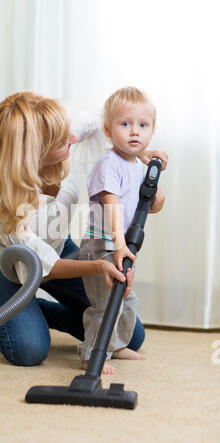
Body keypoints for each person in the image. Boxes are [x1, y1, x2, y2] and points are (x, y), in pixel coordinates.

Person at [0, 91, 168, 370]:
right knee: (29, 349)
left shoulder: (63, 131)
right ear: (33, 153)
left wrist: (135, 148)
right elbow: (38, 259)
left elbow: (108, 118)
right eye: (62, 140)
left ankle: (33, 311)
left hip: (57, 244)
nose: (72, 138)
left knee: (128, 335)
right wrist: (98, 266)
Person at [78, 87, 166, 374]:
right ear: (107, 129)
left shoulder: (138, 166)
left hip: (124, 245)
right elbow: (112, 205)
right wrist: (118, 244)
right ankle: (92, 353)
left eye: (142, 125)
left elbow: (147, 205)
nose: (134, 132)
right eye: (125, 124)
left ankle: (116, 345)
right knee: (105, 303)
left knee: (127, 299)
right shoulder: (109, 163)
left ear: (152, 131)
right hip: (103, 245)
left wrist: (158, 194)